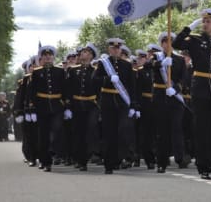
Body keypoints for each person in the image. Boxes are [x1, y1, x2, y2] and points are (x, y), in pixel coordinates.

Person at [172, 9, 211, 180]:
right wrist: (188, 28)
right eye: (204, 21)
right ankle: (204, 167)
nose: (206, 23)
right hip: (200, 89)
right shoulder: (194, 40)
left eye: (209, 21)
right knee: (202, 129)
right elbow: (176, 44)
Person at [93, 38, 137, 174]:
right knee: (109, 133)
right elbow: (94, 80)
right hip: (107, 102)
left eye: (118, 48)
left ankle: (120, 158)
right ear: (109, 50)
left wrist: (134, 105)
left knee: (123, 130)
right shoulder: (103, 64)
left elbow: (132, 86)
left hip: (122, 102)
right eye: (113, 48)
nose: (116, 50)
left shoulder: (126, 65)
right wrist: (107, 79)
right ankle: (109, 164)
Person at [28, 45, 68, 172]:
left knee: (56, 130)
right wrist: (32, 109)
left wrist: (67, 106)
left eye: (50, 56)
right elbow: (32, 92)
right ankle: (45, 161)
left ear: (53, 57)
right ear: (42, 58)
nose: (47, 58)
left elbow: (65, 89)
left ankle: (53, 151)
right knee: (43, 135)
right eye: (45, 56)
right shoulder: (37, 72)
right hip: (42, 106)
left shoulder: (60, 71)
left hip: (57, 105)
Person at [152, 31, 187, 173]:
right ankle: (162, 161)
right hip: (160, 97)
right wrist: (161, 63)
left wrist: (176, 89)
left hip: (175, 98)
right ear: (161, 44)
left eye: (170, 41)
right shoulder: (156, 57)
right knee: (162, 131)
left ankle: (180, 158)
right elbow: (148, 65)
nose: (168, 44)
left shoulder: (179, 59)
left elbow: (184, 78)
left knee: (177, 128)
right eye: (165, 41)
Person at [66, 43, 100, 171]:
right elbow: (68, 89)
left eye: (86, 52)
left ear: (91, 55)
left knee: (90, 131)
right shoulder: (73, 70)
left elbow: (99, 90)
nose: (82, 54)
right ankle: (80, 160)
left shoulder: (96, 71)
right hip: (76, 104)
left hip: (91, 105)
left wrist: (99, 106)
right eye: (82, 52)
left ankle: (87, 156)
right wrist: (68, 106)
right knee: (78, 132)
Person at [135, 49, 156, 170]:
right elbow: (137, 91)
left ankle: (156, 156)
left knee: (155, 132)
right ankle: (148, 159)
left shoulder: (159, 70)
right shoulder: (141, 72)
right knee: (145, 132)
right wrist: (137, 106)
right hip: (145, 103)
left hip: (157, 103)